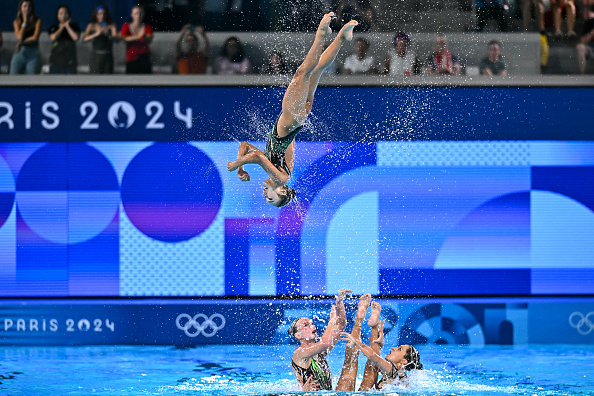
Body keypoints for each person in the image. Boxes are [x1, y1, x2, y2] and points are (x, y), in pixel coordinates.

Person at [227, 14, 358, 207]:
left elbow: (246, 147)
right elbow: (257, 156)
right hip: (290, 119)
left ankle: (340, 38)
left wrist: (241, 166)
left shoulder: (273, 168)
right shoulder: (281, 179)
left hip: (297, 118)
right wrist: (236, 165)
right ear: (281, 191)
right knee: (302, 73)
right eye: (271, 197)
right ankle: (321, 34)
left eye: (266, 199)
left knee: (315, 71)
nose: (265, 195)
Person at [286, 290, 366, 391]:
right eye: (306, 325)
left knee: (351, 357)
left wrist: (340, 303)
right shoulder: (299, 353)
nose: (312, 326)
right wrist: (332, 320)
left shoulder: (319, 352)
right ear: (298, 335)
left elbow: (341, 324)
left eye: (312, 323)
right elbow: (325, 343)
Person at [341, 301, 424, 390]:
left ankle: (370, 324)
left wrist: (357, 341)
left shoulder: (393, 369)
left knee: (352, 368)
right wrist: (378, 345)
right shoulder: (400, 375)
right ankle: (374, 327)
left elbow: (372, 355)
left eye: (399, 349)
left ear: (403, 361)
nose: (394, 348)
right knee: (372, 367)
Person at [83, 5, 118, 74]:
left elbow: (117, 39)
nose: (102, 16)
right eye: (99, 14)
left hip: (107, 56)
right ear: (96, 15)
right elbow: (84, 39)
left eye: (103, 14)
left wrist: (108, 35)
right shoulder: (92, 25)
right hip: (96, 55)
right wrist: (96, 34)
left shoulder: (111, 25)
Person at [10, 0, 42, 75]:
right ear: (21, 8)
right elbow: (19, 37)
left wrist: (21, 42)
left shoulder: (37, 20)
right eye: (25, 6)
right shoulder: (17, 22)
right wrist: (24, 22)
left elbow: (35, 37)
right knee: (13, 75)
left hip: (32, 52)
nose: (27, 8)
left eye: (29, 6)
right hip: (20, 52)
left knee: (32, 77)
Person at [48, 5, 81, 74]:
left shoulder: (74, 26)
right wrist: (62, 27)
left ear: (69, 15)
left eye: (65, 13)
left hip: (70, 62)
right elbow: (53, 37)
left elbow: (75, 38)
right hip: (56, 62)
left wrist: (67, 26)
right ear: (57, 15)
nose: (63, 15)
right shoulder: (54, 27)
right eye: (61, 13)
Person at [121, 5, 153, 74]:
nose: (138, 15)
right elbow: (124, 38)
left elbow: (149, 39)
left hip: (144, 58)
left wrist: (143, 36)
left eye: (140, 13)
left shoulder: (147, 27)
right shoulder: (126, 26)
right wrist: (138, 37)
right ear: (132, 15)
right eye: (136, 13)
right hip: (131, 58)